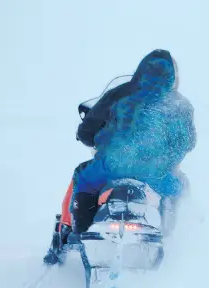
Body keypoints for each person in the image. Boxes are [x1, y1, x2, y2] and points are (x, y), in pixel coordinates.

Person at [43, 49, 196, 265]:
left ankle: (80, 231)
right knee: (179, 189)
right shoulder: (180, 104)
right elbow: (187, 142)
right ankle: (167, 237)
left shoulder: (120, 94)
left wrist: (94, 136)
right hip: (157, 174)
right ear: (173, 76)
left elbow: (88, 129)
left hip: (112, 167)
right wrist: (165, 159)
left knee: (83, 179)